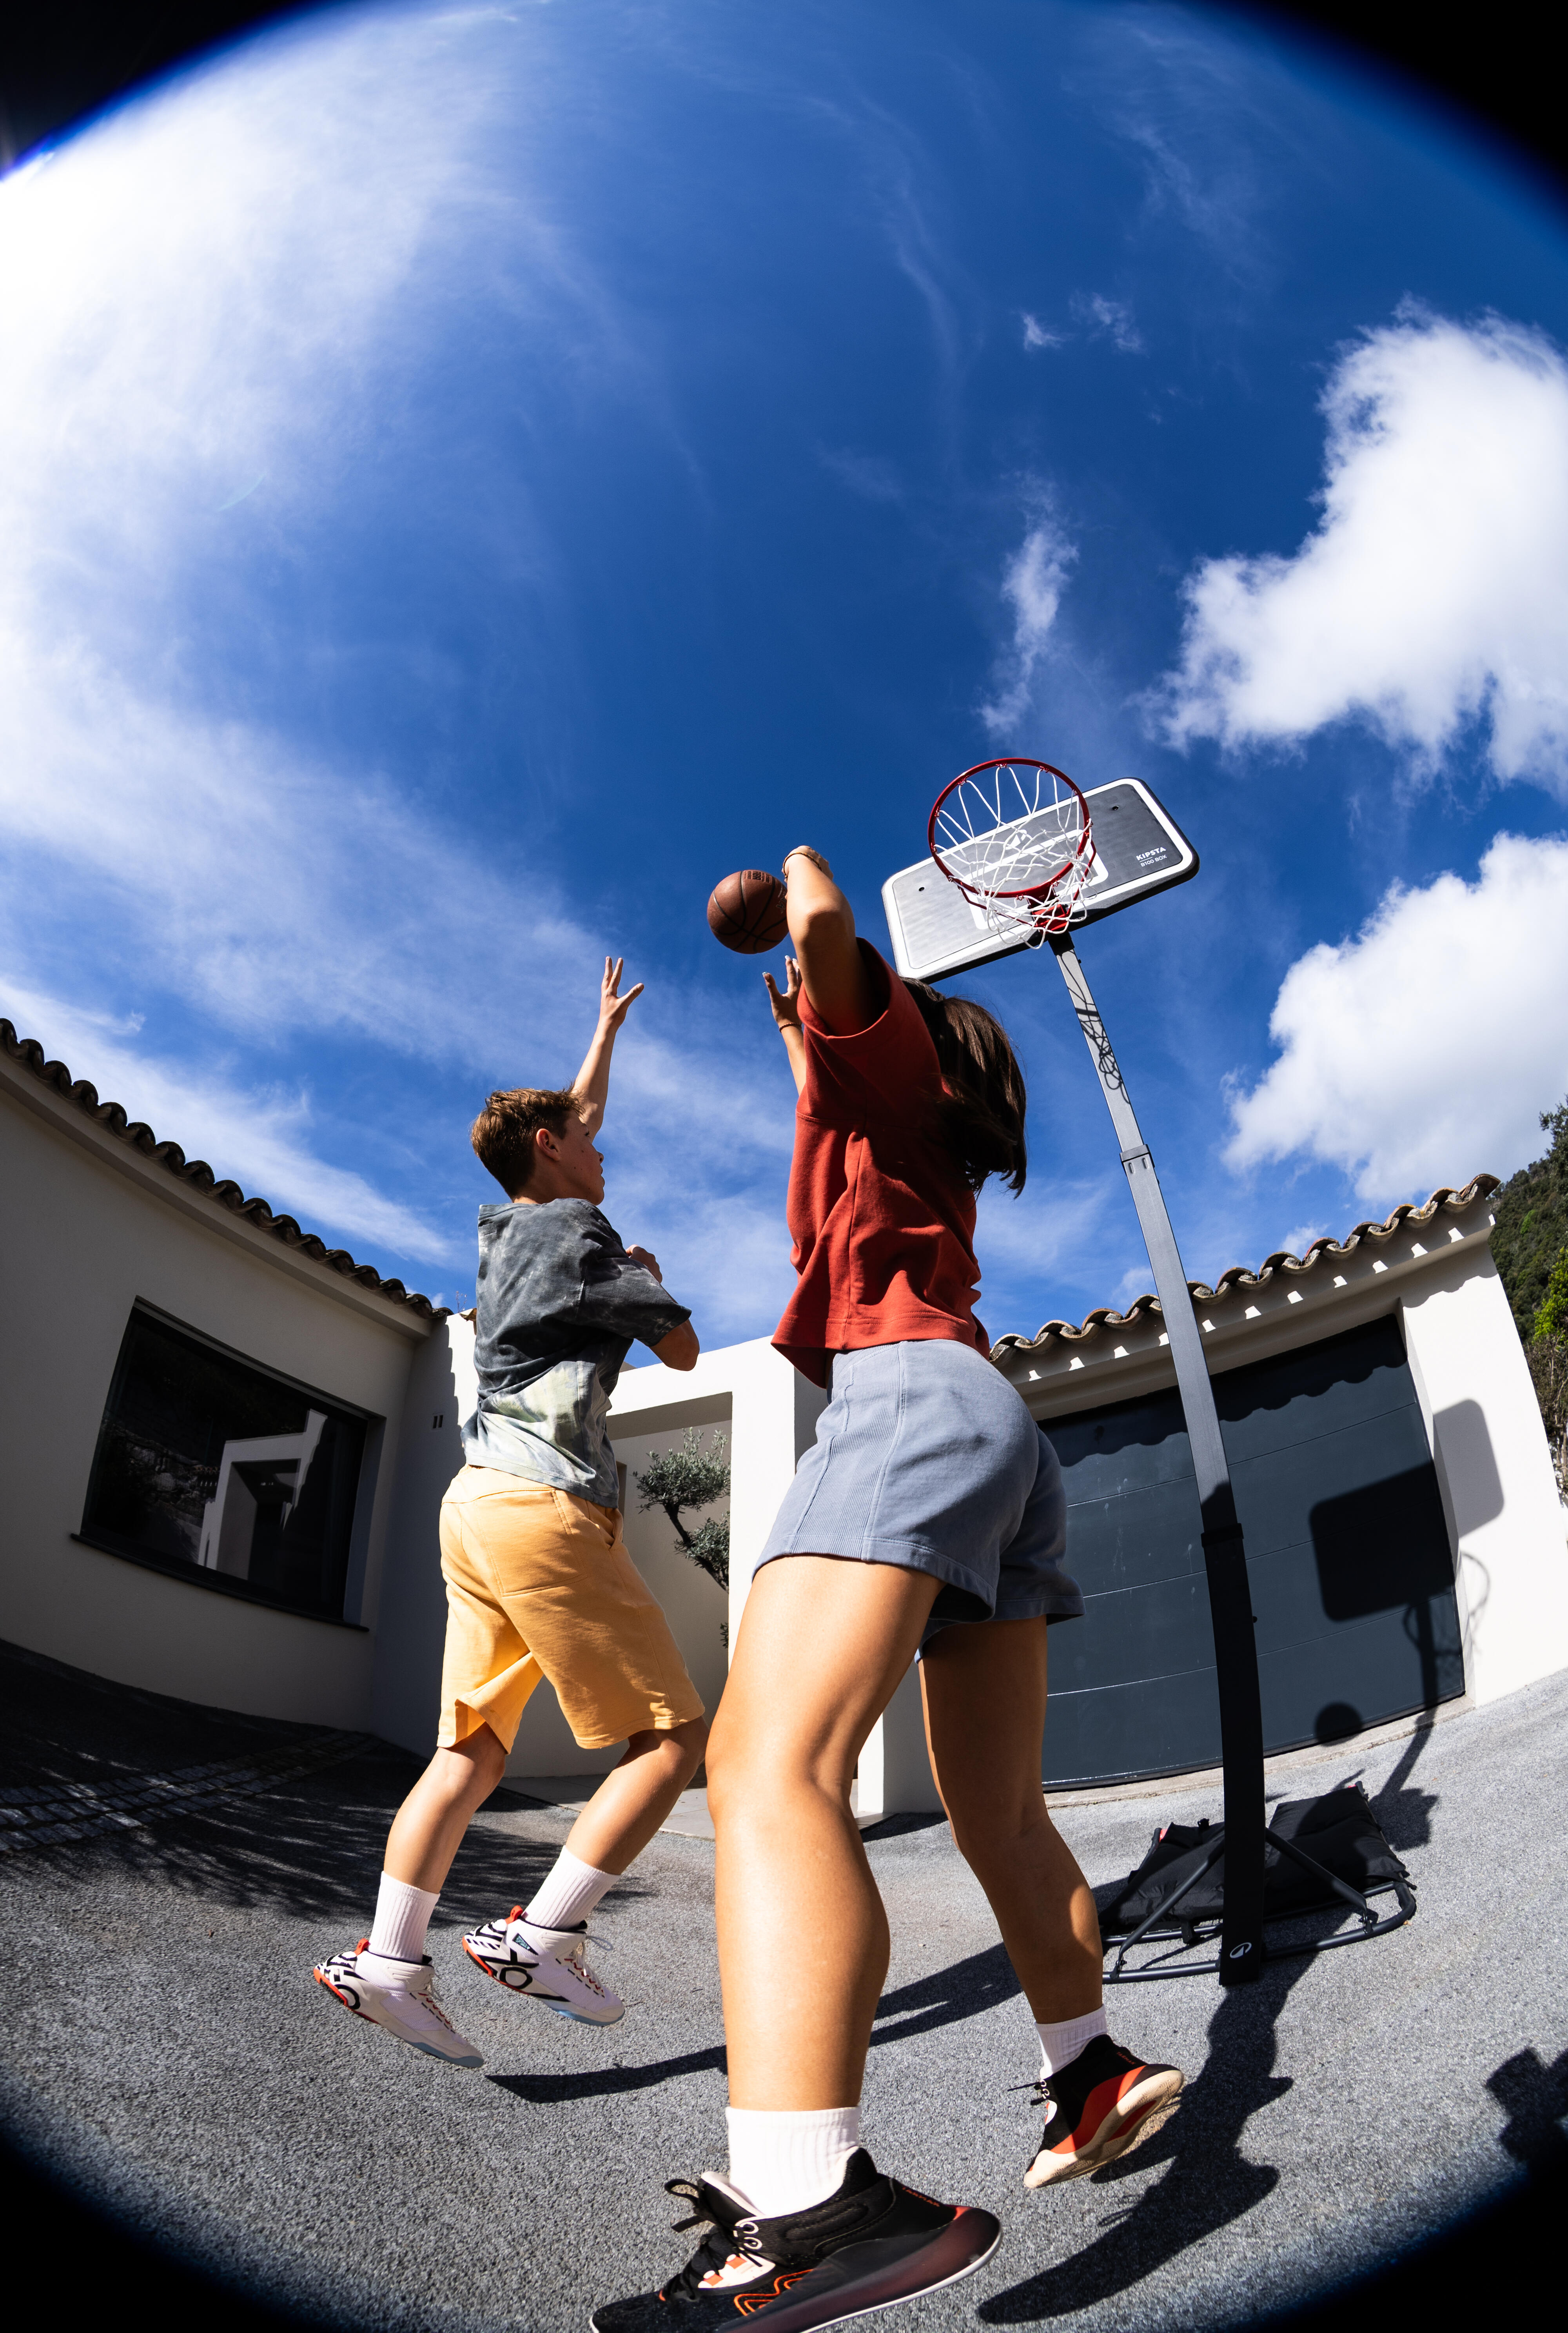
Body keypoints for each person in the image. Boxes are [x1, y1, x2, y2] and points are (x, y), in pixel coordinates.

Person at [595, 857, 1182, 2331]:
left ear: (897, 1028)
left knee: (768, 1768)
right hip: (993, 1425)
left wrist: (797, 885)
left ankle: (808, 2209)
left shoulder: (894, 1062)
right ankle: (1090, 2068)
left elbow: (820, 917)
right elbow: (815, 1055)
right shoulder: (877, 1122)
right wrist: (796, 1021)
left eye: (834, 1017)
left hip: (908, 1408)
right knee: (1001, 1812)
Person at [314, 959, 709, 2069]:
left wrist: (604, 1031)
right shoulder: (584, 1234)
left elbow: (571, 1115)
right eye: (586, 1140)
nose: (601, 1147)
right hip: (543, 1508)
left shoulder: (503, 1235)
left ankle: (389, 1962)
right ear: (550, 1151)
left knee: (470, 1754)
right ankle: (545, 1934)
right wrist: (647, 1276)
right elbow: (683, 1348)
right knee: (673, 1740)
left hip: (476, 1504)